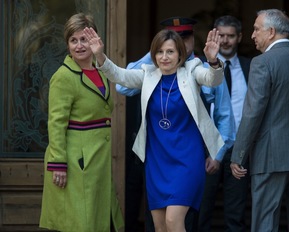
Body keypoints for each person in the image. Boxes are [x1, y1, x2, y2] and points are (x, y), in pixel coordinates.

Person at [84, 27, 226, 232]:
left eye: (170, 51)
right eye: (159, 52)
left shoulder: (192, 70)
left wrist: (213, 61)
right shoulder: (147, 75)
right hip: (157, 161)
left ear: (180, 53)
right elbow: (119, 76)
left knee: (173, 222)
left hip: (187, 160)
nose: (164, 57)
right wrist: (99, 55)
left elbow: (213, 79)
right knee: (160, 227)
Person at [230, 9, 289, 232]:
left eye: (256, 29)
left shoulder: (262, 62)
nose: (252, 35)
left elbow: (254, 112)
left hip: (270, 155)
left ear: (271, 32)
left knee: (265, 222)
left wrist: (239, 154)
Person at [39, 13, 124, 232]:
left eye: (84, 39)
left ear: (94, 40)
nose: (79, 45)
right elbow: (56, 123)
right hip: (77, 162)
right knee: (80, 222)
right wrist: (58, 163)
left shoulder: (100, 70)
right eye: (73, 40)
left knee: (97, 218)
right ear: (67, 44)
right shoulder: (63, 76)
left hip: (97, 159)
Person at [198, 15, 251, 232]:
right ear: (214, 36)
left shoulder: (252, 67)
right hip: (208, 147)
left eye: (231, 36)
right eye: (222, 36)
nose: (226, 41)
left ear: (239, 37)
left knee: (235, 214)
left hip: (239, 148)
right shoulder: (200, 68)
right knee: (202, 210)